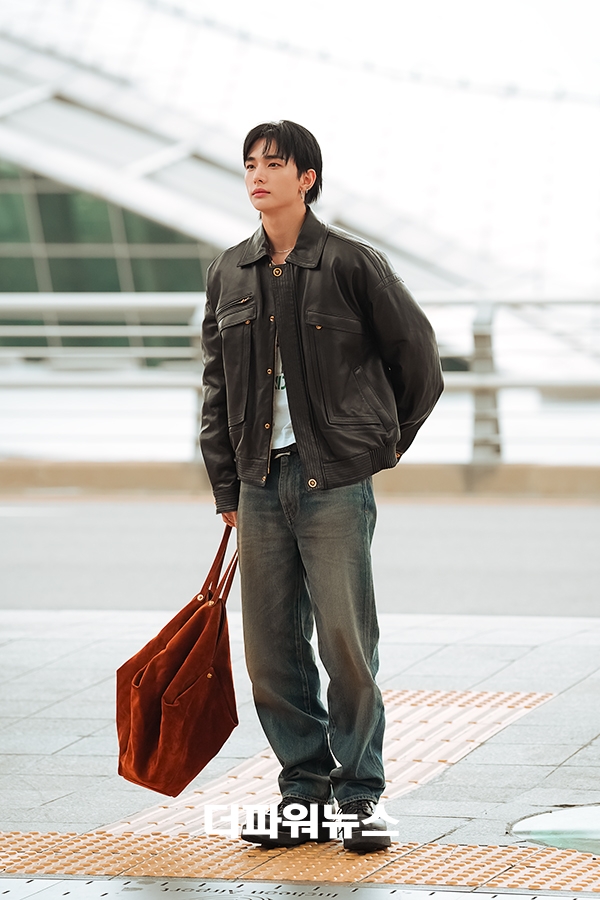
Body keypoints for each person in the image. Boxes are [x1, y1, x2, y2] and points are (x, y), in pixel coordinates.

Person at [201, 120, 443, 852]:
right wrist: (227, 488)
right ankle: (302, 795)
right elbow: (216, 387)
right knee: (271, 651)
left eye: (275, 164)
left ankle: (360, 798)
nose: (258, 175)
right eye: (250, 164)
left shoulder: (350, 264)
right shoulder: (230, 271)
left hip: (333, 481)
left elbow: (420, 363)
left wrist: (372, 446)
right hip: (259, 483)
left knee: (346, 645)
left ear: (307, 177)